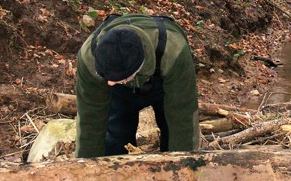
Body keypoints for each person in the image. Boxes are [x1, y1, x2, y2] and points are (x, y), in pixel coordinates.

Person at [74, 13, 200, 157]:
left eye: (115, 78)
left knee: (172, 134)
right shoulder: (88, 57)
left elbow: (183, 119)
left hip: (164, 84)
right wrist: (86, 169)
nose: (109, 83)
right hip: (122, 90)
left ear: (138, 67)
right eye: (106, 76)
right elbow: (90, 119)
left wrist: (184, 167)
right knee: (115, 136)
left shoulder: (173, 51)